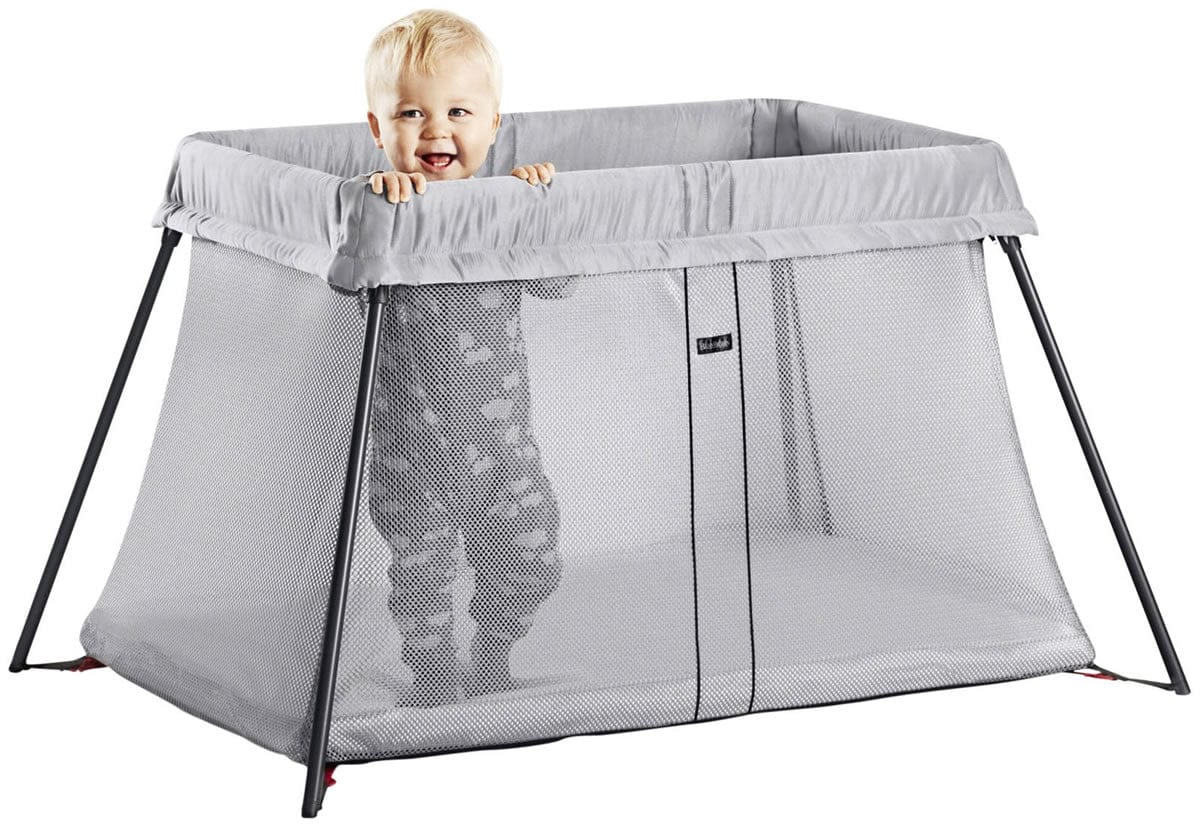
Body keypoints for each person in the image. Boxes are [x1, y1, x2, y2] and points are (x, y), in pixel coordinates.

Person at [360, 9, 576, 706]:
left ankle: (492, 651)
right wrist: (379, 205)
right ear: (378, 129)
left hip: (502, 451)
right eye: (411, 113)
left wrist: (535, 209)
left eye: (458, 111)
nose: (435, 131)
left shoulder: (501, 213)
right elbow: (347, 282)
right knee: (422, 578)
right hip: (412, 457)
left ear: (492, 126)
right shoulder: (383, 212)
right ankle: (432, 676)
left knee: (533, 554)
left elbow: (560, 283)